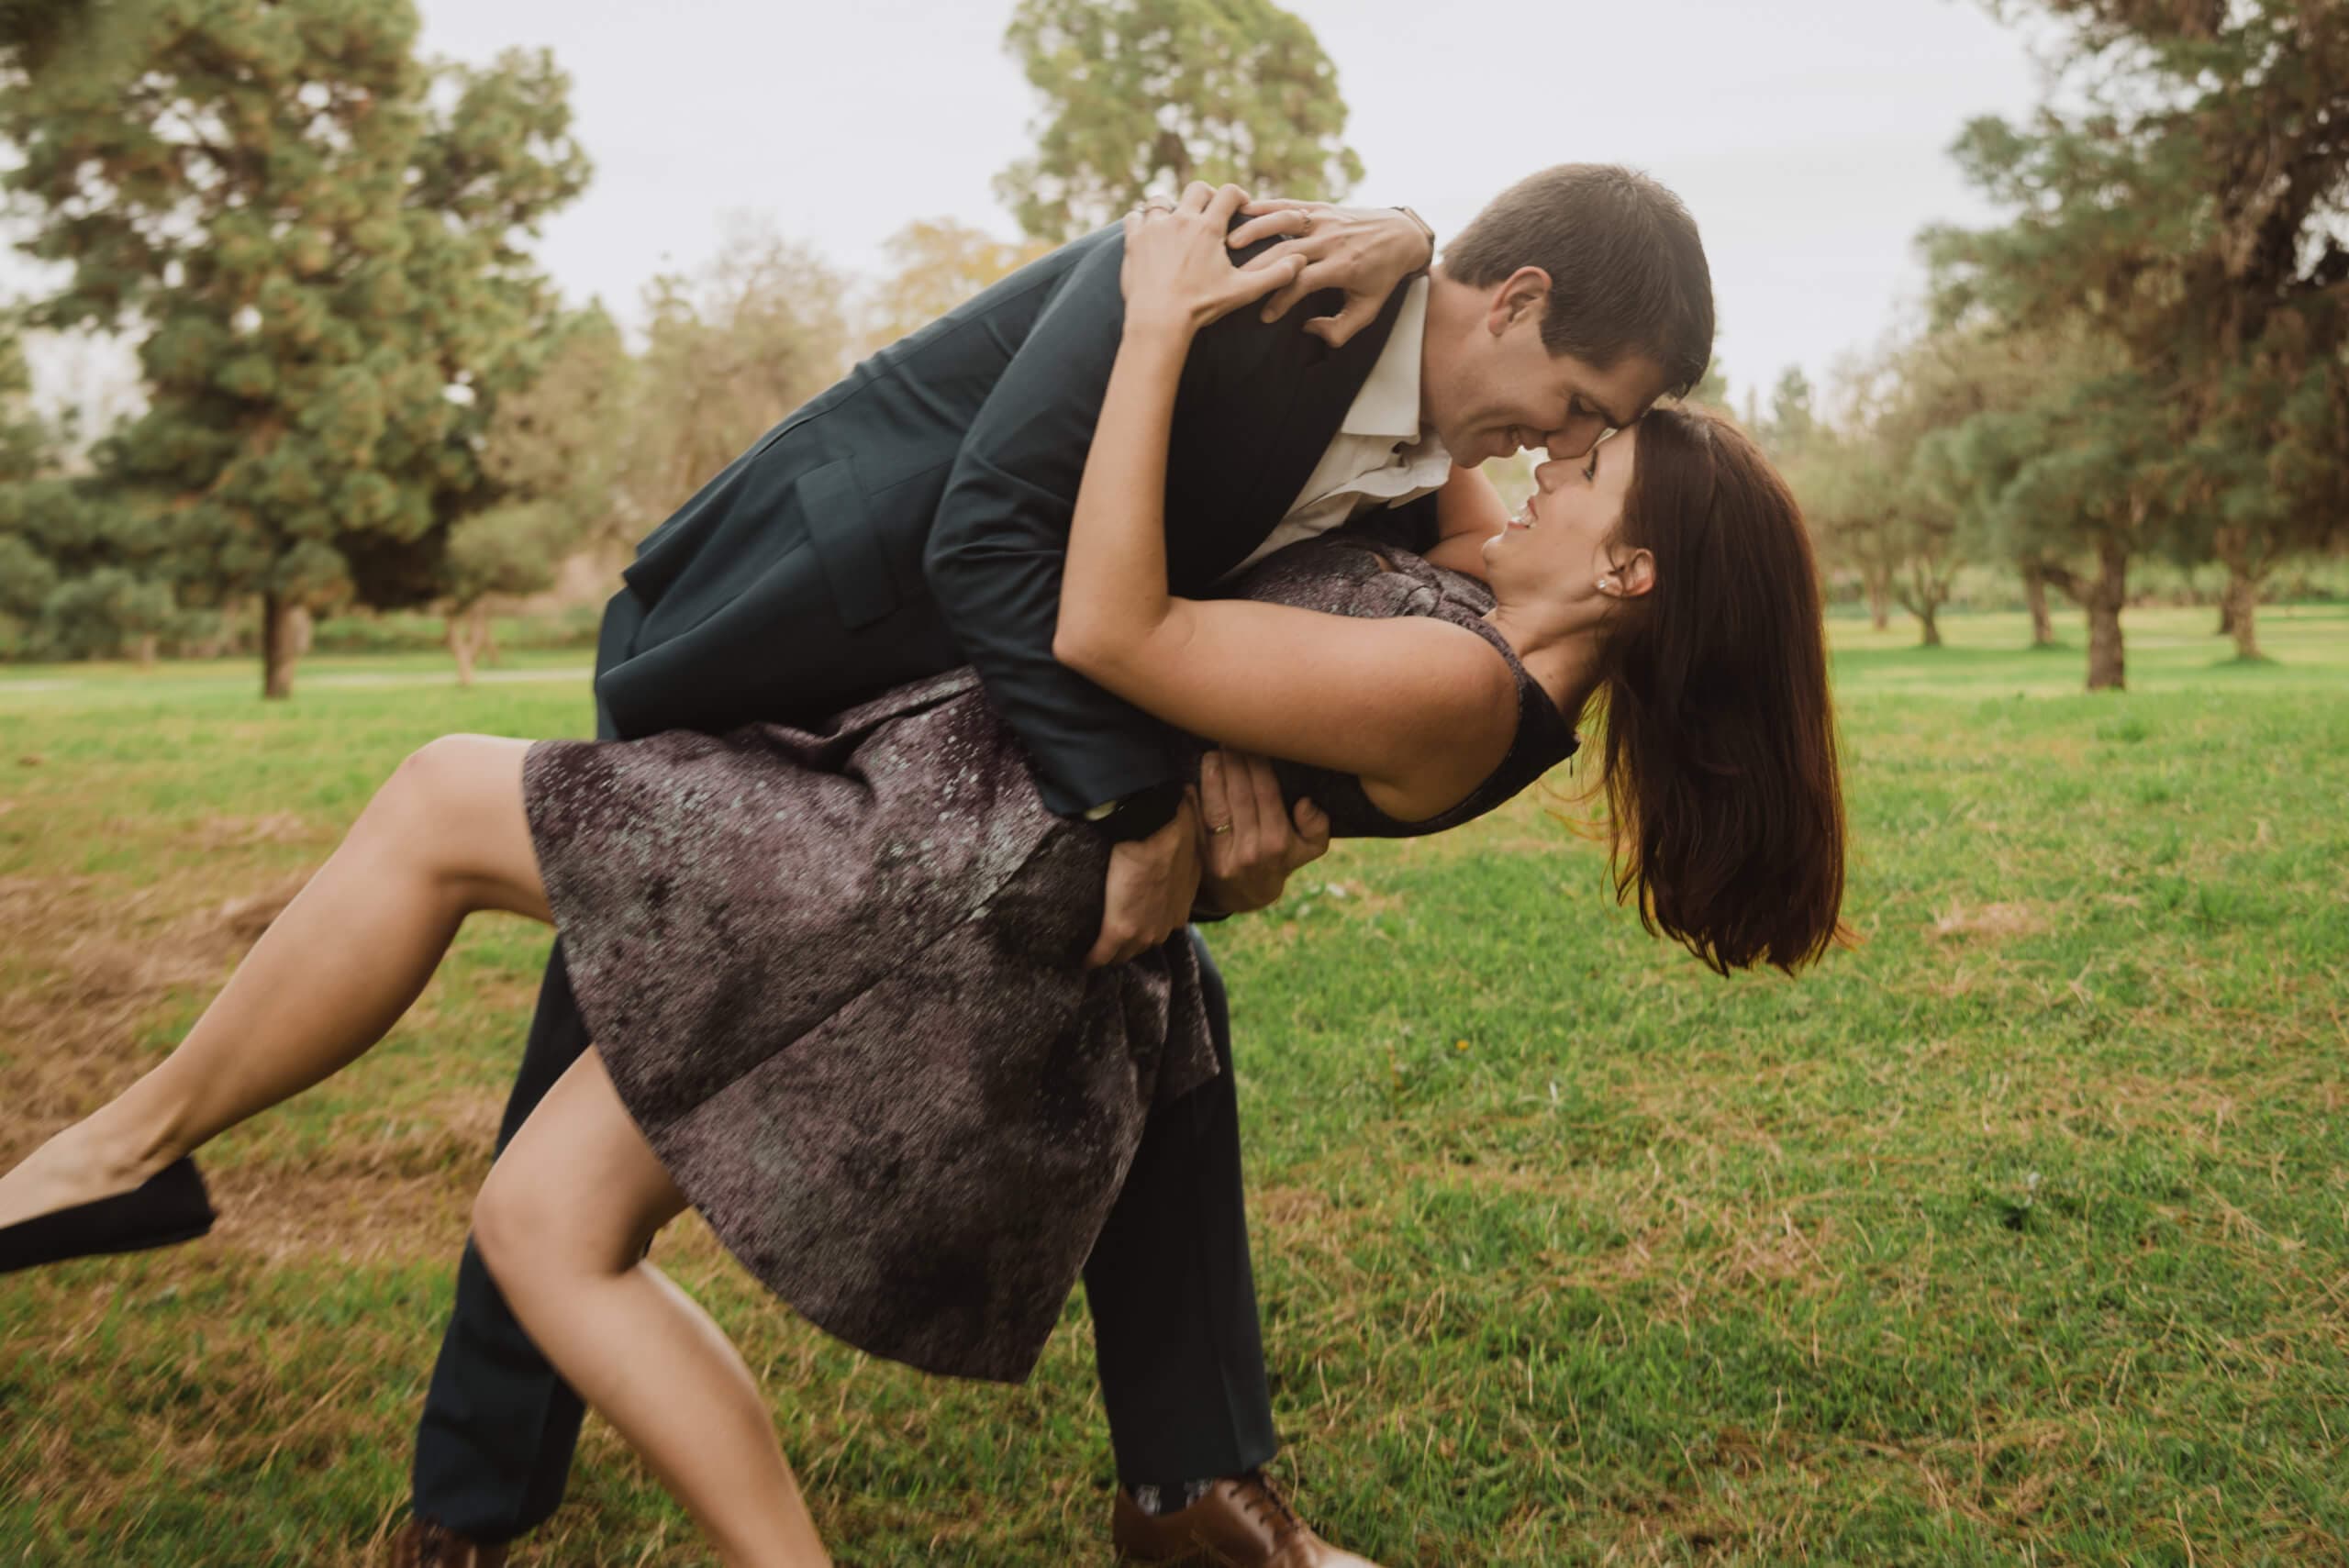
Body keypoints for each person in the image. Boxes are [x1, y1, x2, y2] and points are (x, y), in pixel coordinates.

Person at [0, 168, 1742, 1568]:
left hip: (969, 766)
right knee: (636, 980)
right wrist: (1150, 817)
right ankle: (473, 1488)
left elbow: (1385, 610)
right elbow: (992, 534)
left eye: (1584, 442)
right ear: (1508, 310)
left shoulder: (1438, 474)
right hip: (809, 623)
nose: (1545, 449)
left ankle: (1183, 1484)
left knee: (1113, 1005)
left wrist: (1197, 831)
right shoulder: (1257, 293)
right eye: (1568, 406)